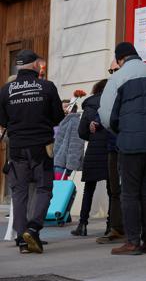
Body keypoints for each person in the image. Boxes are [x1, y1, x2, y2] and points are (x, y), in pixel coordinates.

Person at [99, 42, 146, 256]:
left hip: (130, 145)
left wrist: (121, 130)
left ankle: (132, 242)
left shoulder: (118, 78)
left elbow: (106, 116)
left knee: (130, 193)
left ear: (120, 59)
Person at [0, 49, 65, 254]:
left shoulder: (6, 90)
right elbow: (58, 117)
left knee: (19, 192)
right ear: (36, 65)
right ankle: (33, 228)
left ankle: (21, 237)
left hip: (17, 148)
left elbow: (2, 121)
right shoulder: (46, 86)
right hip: (42, 146)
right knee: (44, 188)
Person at [72, 79, 111, 237]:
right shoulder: (114, 101)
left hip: (94, 149)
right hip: (111, 148)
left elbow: (81, 132)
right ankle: (111, 226)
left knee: (89, 188)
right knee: (113, 189)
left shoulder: (89, 105)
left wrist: (93, 136)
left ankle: (82, 224)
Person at [95, 60, 124, 244]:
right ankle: (116, 228)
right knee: (113, 189)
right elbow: (102, 110)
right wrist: (96, 121)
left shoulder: (129, 85)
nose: (113, 72)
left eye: (116, 69)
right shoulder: (109, 89)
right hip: (112, 146)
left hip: (129, 145)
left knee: (134, 189)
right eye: (111, 69)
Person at [53, 101, 83, 181]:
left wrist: (71, 165)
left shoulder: (74, 122)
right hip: (52, 162)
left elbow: (76, 144)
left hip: (61, 164)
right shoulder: (59, 122)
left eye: (62, 107)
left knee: (59, 189)